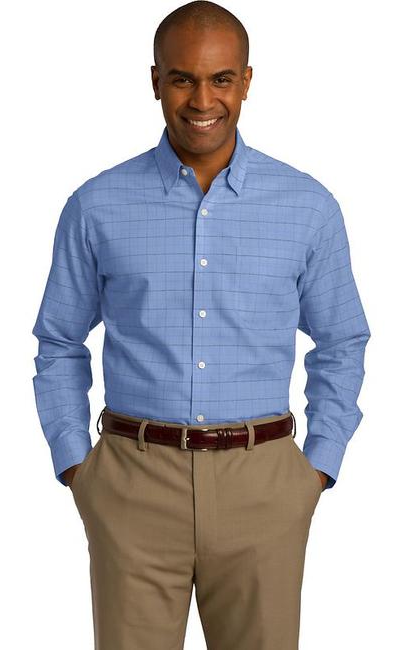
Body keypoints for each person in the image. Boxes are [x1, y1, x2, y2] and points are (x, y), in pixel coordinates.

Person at [31, 2, 371, 648]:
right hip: (131, 484)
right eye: (182, 78)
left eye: (221, 79)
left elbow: (342, 340)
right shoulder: (96, 205)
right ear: (155, 81)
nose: (202, 100)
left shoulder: (308, 207)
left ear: (247, 81)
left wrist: (316, 468)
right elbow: (59, 341)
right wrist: (77, 465)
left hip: (264, 486)